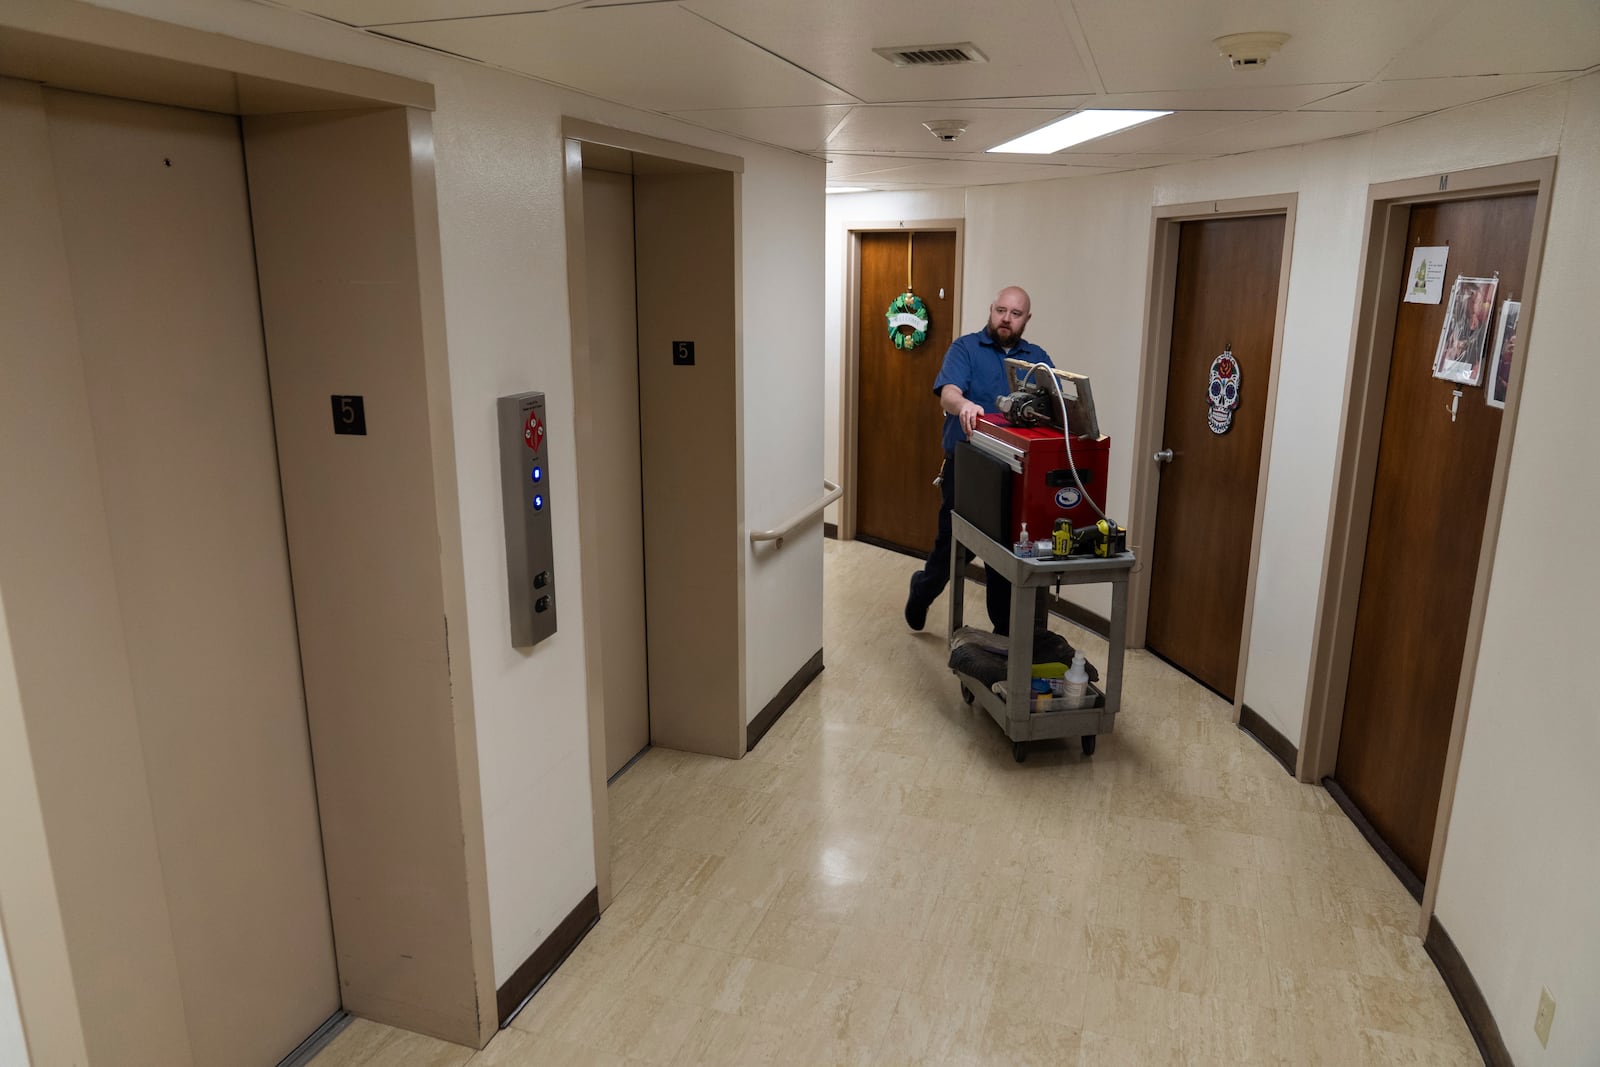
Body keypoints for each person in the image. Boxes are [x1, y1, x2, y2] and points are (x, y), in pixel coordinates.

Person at [904, 285, 1054, 634]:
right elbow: (948, 394)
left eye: (1015, 314)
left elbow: (1055, 405)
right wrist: (964, 406)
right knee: (953, 551)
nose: (1006, 319)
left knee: (1003, 554)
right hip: (968, 469)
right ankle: (923, 589)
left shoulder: (1037, 358)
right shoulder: (966, 348)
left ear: (1026, 320)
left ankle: (1003, 639)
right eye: (1001, 310)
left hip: (1015, 472)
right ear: (991, 310)